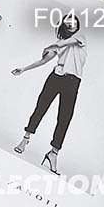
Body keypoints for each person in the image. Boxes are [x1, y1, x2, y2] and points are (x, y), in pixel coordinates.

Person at [12, 12, 86, 174]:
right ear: (64, 25)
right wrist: (24, 69)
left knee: (65, 118)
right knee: (41, 108)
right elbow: (43, 61)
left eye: (74, 21)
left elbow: (62, 44)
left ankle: (53, 153)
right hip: (55, 78)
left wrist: (49, 47)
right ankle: (25, 139)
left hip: (72, 82)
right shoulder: (58, 44)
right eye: (68, 22)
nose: (72, 24)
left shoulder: (80, 37)